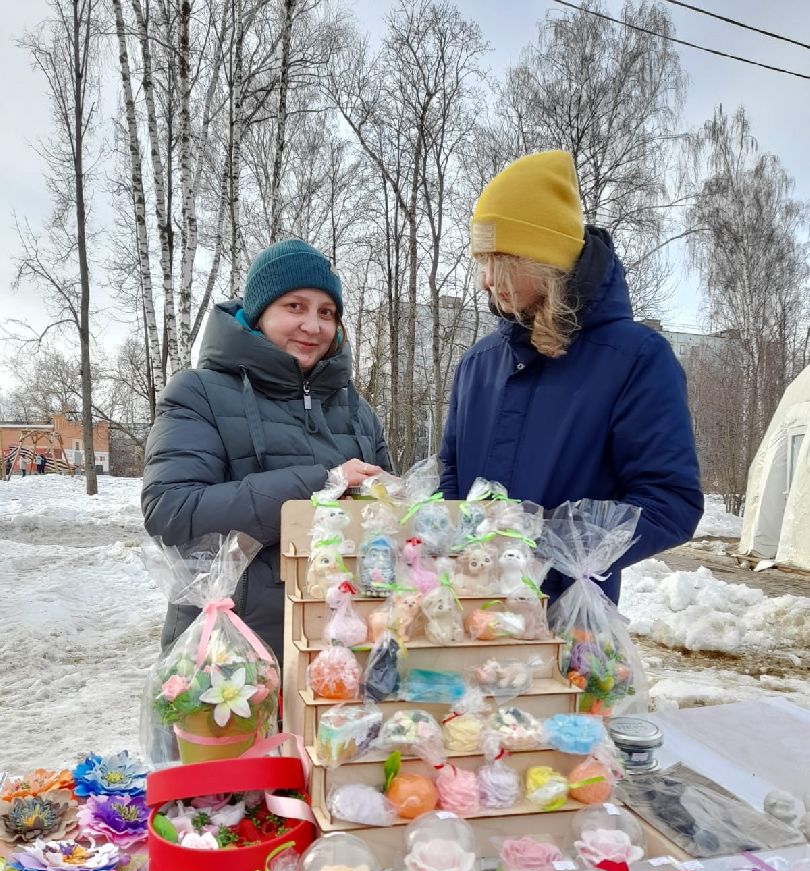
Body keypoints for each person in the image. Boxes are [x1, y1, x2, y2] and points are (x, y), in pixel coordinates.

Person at [439, 150, 703, 604]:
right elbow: (451, 474)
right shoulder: (478, 364)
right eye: (481, 261)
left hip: (569, 628)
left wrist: (542, 545)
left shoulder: (635, 360)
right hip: (468, 617)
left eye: (499, 261)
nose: (485, 280)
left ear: (545, 261)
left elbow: (671, 500)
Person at [142, 238, 391, 662]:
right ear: (259, 313)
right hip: (231, 657)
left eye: (326, 312)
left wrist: (392, 501)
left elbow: (381, 529)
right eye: (295, 306)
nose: (313, 326)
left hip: (341, 651)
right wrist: (324, 484)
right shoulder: (199, 392)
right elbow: (170, 510)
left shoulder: (356, 408)